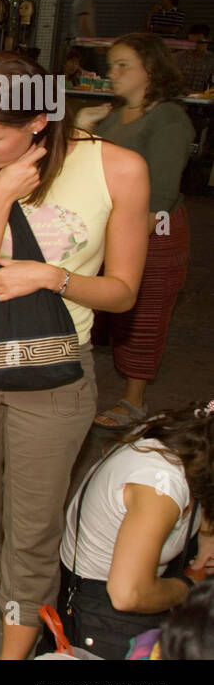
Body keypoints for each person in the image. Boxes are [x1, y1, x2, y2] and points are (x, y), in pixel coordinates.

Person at [0, 50, 150, 660]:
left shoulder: (120, 169)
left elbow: (123, 291)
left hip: (56, 367)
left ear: (38, 124)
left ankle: (13, 655)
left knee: (33, 528)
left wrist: (52, 277)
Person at [75, 33, 195, 431]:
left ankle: (134, 400)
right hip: (109, 226)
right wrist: (80, 127)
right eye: (111, 65)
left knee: (143, 312)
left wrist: (124, 249)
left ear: (151, 69)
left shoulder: (168, 119)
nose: (113, 73)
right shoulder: (110, 115)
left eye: (124, 65)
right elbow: (83, 170)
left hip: (152, 231)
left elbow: (160, 194)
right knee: (96, 310)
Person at [57, 404, 214, 659]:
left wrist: (207, 535)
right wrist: (188, 588)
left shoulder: (191, 432)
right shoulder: (158, 488)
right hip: (102, 600)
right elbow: (126, 595)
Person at [72, 0, 105, 72]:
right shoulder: (84, 1)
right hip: (83, 46)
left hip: (84, 45)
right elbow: (84, 25)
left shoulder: (86, 0)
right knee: (89, 75)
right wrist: (95, 44)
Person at [173, 23, 214, 94]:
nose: (194, 46)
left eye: (198, 42)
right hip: (179, 99)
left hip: (204, 101)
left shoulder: (212, 61)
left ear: (207, 40)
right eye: (191, 42)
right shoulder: (177, 58)